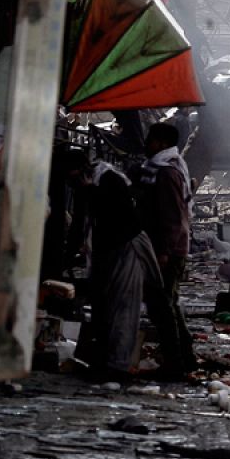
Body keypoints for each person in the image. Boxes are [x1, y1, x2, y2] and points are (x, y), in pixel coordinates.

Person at [73, 161, 167, 377]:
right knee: (111, 309)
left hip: (126, 251)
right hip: (115, 253)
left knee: (124, 309)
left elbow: (111, 224)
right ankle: (110, 359)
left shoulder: (107, 186)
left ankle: (118, 364)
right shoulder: (101, 185)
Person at [132, 123, 197, 378]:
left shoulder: (166, 172)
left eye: (150, 139)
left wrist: (164, 252)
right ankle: (185, 357)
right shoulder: (163, 168)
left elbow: (172, 216)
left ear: (160, 142)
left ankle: (175, 362)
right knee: (167, 303)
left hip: (167, 250)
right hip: (167, 247)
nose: (146, 143)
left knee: (161, 305)